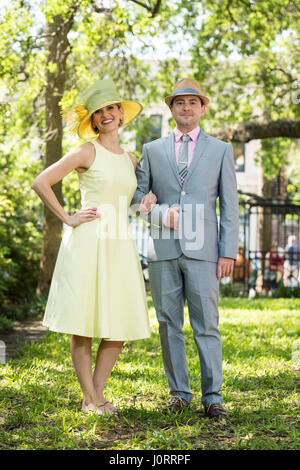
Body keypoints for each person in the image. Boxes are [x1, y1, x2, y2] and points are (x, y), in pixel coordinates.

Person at [32, 79, 156, 416]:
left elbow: (141, 195)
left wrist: (149, 198)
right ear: (94, 119)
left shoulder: (132, 159)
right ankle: (93, 398)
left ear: (121, 114)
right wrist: (67, 218)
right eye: (100, 111)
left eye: (112, 108)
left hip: (120, 243)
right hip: (88, 241)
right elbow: (41, 181)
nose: (107, 115)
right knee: (83, 324)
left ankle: (94, 397)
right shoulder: (87, 150)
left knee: (118, 325)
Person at [131, 77, 239, 419]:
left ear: (202, 108)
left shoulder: (221, 150)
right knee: (168, 323)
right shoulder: (152, 150)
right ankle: (179, 393)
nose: (186, 108)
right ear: (171, 109)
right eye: (180, 103)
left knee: (207, 324)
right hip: (163, 249)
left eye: (193, 102)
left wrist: (228, 252)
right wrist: (163, 214)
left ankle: (213, 397)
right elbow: (137, 201)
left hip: (205, 251)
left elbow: (230, 206)